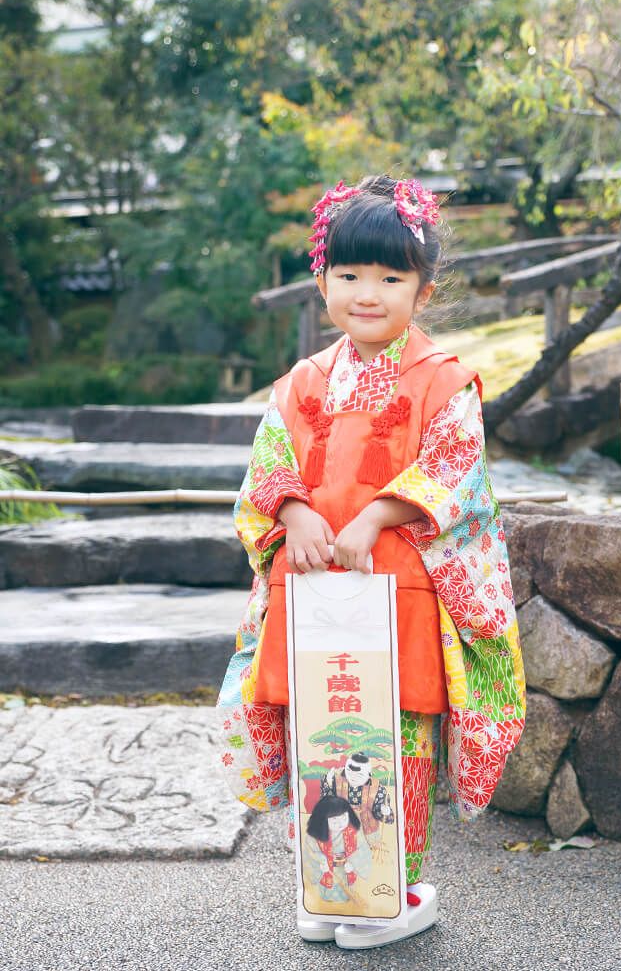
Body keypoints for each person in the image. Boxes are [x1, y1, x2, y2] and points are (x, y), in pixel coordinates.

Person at [216, 173, 527, 950]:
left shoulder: (445, 380)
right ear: (322, 280)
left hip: (401, 596)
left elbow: (458, 468)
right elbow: (267, 467)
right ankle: (330, 884)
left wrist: (380, 513)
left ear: (422, 292)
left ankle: (401, 886)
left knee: (396, 738)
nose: (367, 292)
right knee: (318, 735)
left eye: (391, 278)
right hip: (313, 595)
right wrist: (291, 510)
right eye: (349, 274)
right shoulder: (301, 383)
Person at [304, 796, 373, 904]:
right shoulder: (314, 836)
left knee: (346, 892)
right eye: (334, 820)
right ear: (322, 819)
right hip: (327, 871)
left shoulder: (353, 832)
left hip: (345, 869)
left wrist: (353, 863)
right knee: (328, 894)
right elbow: (310, 852)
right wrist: (322, 861)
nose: (341, 823)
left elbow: (362, 849)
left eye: (344, 817)